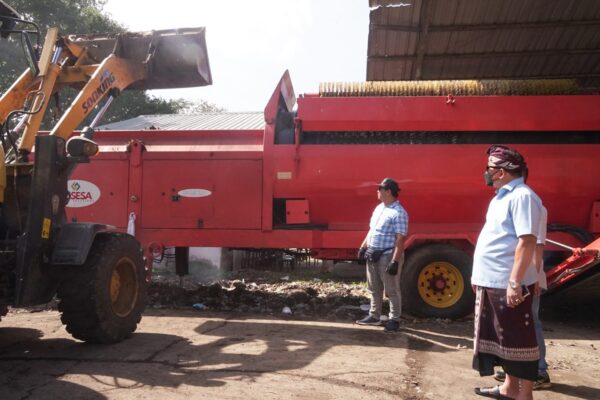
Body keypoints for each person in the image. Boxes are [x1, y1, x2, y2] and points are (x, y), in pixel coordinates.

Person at [472, 145, 543, 400]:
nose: (487, 173)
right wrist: (478, 277)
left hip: (506, 282)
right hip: (492, 280)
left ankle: (524, 395)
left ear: (501, 172)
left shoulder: (522, 196)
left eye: (490, 169)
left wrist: (515, 282)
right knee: (505, 342)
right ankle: (509, 389)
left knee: (518, 341)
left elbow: (526, 241)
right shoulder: (502, 197)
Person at [494, 205, 552, 390]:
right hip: (517, 276)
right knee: (516, 324)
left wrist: (534, 276)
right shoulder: (517, 205)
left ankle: (540, 372)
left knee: (531, 323)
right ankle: (515, 370)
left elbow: (538, 246)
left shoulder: (533, 206)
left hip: (528, 277)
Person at [356, 177, 408, 332]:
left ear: (388, 192)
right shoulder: (379, 209)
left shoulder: (399, 213)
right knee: (374, 288)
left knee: (392, 289)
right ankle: (374, 315)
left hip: (387, 255)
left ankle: (394, 319)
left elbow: (400, 239)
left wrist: (395, 261)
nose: (377, 191)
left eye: (380, 189)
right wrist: (363, 246)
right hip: (373, 254)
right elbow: (372, 230)